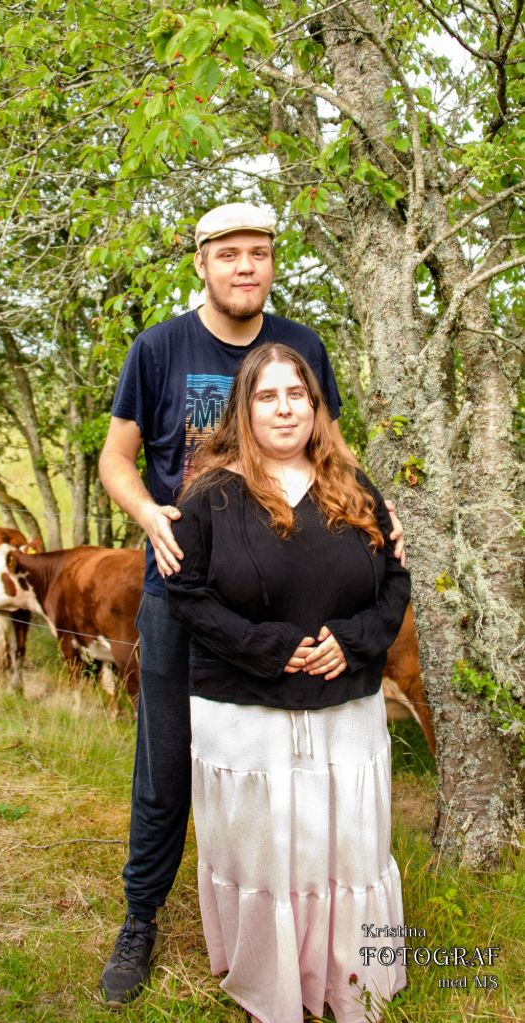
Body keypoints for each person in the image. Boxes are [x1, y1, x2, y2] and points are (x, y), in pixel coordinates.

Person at [97, 202, 404, 1006]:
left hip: (289, 588)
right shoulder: (159, 348)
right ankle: (140, 918)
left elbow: (331, 447)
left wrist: (378, 513)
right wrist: (149, 513)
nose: (244, 266)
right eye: (228, 253)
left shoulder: (302, 346)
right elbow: (116, 457)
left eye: (258, 253)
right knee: (166, 765)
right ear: (201, 263)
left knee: (295, 770)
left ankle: (305, 931)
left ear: (272, 263)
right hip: (184, 586)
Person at [165, 344, 410, 1023]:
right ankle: (270, 983)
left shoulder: (355, 487)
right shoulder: (211, 496)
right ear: (244, 409)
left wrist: (353, 642)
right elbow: (186, 593)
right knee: (269, 852)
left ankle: (351, 978)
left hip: (344, 706)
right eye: (267, 396)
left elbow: (395, 581)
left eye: (295, 395)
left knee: (345, 847)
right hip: (247, 710)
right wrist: (267, 648)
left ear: (314, 405)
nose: (283, 409)